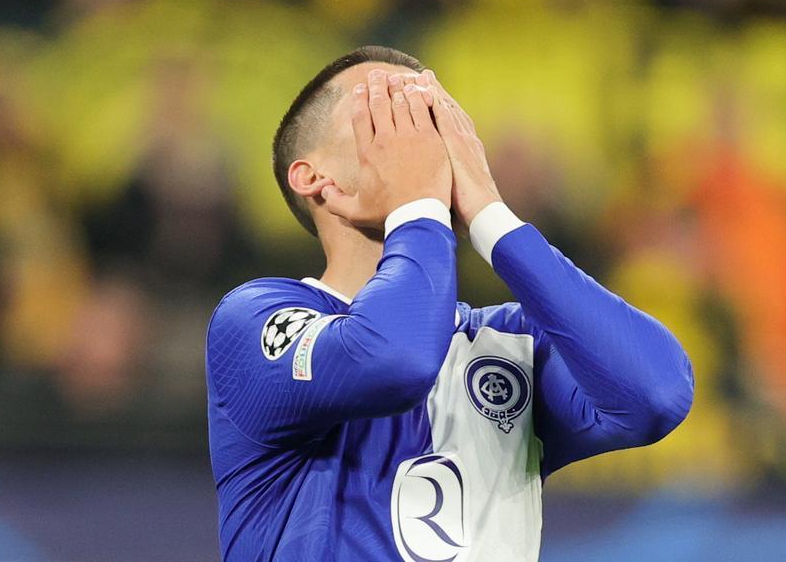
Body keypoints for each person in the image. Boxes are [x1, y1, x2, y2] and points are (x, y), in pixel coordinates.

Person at [205, 45, 694, 561]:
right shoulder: (254, 318)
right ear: (314, 178)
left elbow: (656, 395)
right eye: (385, 113)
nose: (419, 135)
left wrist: (493, 218)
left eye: (432, 114)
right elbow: (394, 358)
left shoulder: (511, 343)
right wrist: (417, 204)